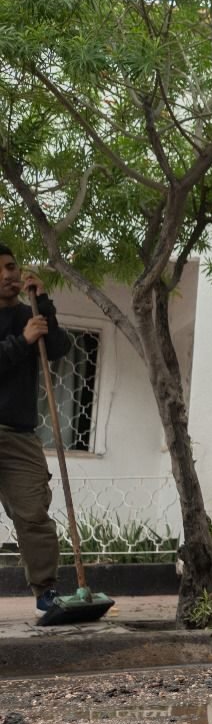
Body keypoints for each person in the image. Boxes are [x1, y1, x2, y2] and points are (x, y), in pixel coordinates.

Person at [0, 244, 71, 615]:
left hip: (18, 434)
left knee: (33, 513)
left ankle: (47, 593)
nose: (9, 274)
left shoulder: (31, 315)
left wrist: (45, 305)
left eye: (11, 266)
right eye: (0, 270)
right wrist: (21, 342)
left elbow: (58, 347)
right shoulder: (23, 329)